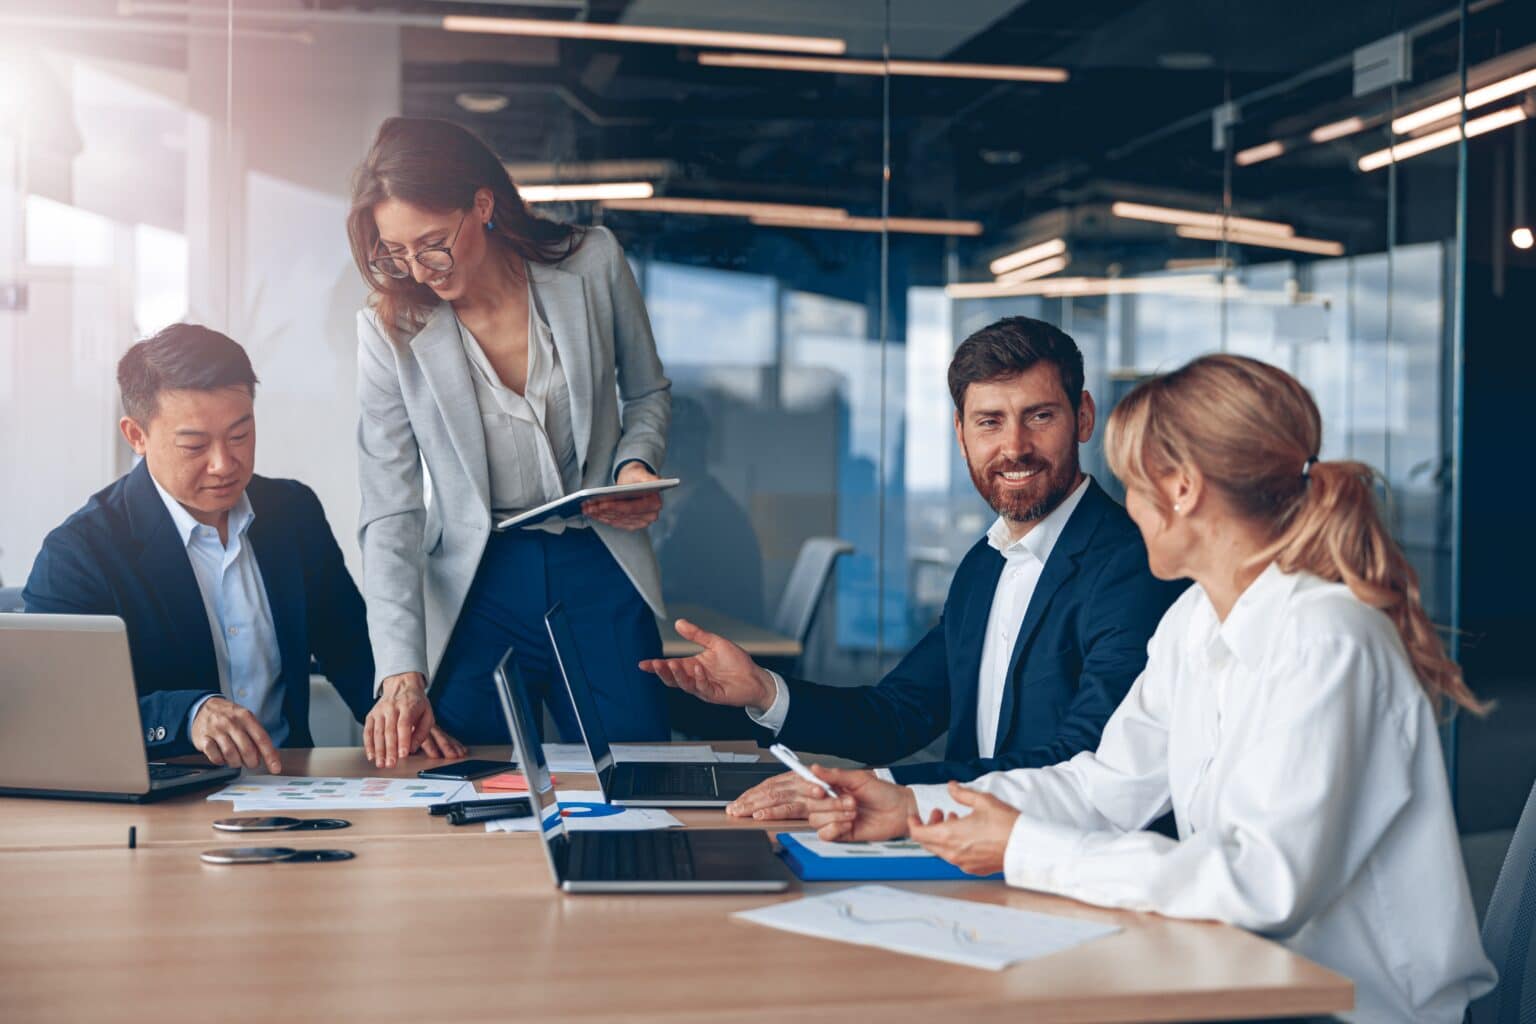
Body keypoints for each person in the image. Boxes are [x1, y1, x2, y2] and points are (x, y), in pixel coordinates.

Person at [785, 354, 1496, 1023]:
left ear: (1182, 489)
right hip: (1238, 979)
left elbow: (1260, 886)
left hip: (1344, 1007)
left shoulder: (1326, 636)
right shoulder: (1194, 619)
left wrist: (1024, 847)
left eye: (1131, 482)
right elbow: (1103, 786)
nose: (1125, 505)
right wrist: (914, 806)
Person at [642, 316, 1184, 816]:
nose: (1014, 447)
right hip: (971, 847)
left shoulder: (1132, 566)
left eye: (1039, 417)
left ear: (1083, 417)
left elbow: (1079, 763)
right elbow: (898, 715)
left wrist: (881, 791)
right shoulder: (986, 564)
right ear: (961, 434)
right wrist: (765, 690)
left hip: (1065, 863)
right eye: (990, 422)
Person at [347, 116, 672, 767]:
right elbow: (390, 511)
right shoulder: (388, 329)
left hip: (597, 562)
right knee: (461, 780)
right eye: (396, 251)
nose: (418, 268)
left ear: (483, 206)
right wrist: (400, 671)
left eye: (433, 242)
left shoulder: (593, 261)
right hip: (478, 584)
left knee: (636, 771)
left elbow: (648, 394)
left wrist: (636, 465)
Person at [23, 324, 378, 773]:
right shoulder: (79, 553)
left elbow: (348, 644)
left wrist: (393, 707)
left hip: (292, 788)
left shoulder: (293, 513)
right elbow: (60, 707)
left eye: (239, 435)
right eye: (194, 445)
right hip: (164, 798)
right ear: (136, 435)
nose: (223, 464)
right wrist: (187, 715)